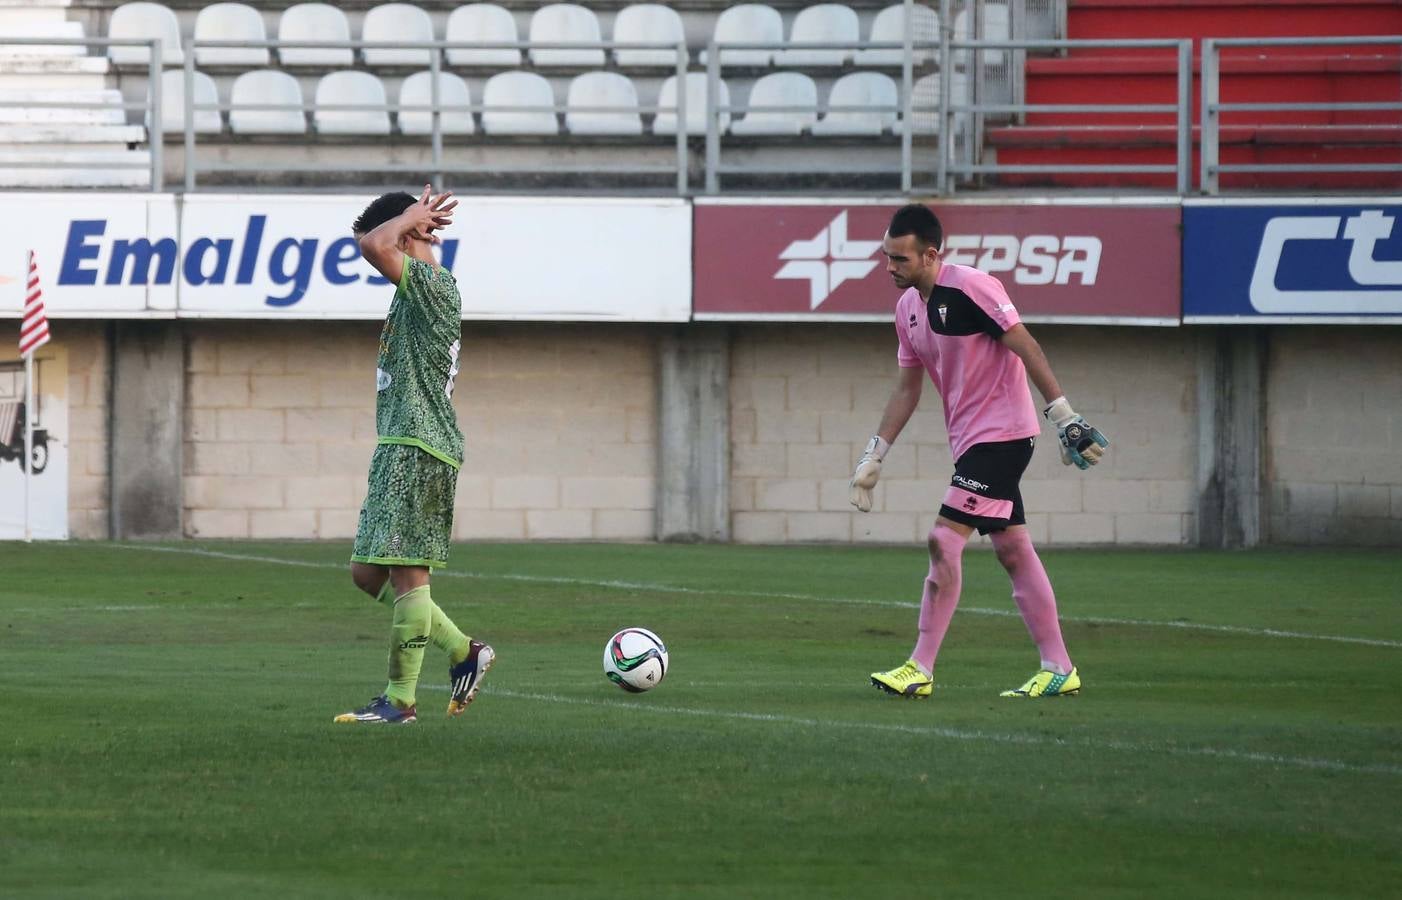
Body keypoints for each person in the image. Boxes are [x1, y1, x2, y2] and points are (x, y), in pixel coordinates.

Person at [852, 204, 1108, 700]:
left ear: (931, 255)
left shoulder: (973, 287)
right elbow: (907, 388)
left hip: (1004, 436)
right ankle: (1059, 668)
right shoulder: (907, 310)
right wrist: (874, 455)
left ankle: (919, 668)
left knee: (943, 540)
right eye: (886, 256)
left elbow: (1027, 346)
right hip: (971, 443)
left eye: (900, 258)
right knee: (1013, 550)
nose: (889, 267)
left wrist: (1064, 417)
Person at [334, 185, 494, 725]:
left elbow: (374, 246)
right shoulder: (415, 291)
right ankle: (464, 651)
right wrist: (407, 220)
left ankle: (399, 701)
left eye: (397, 231)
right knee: (366, 573)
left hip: (418, 446)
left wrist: (409, 217)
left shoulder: (432, 286)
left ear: (411, 234)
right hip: (399, 446)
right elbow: (375, 244)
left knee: (408, 574)